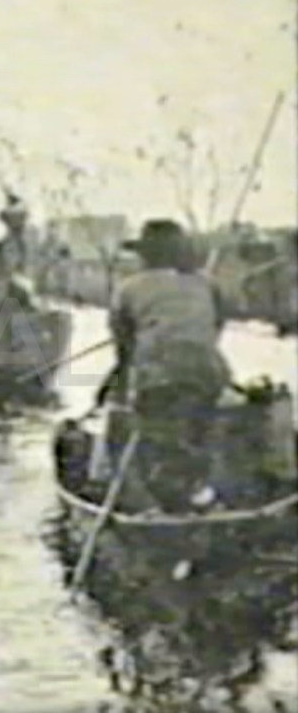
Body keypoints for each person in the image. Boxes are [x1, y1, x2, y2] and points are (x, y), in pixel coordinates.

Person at [98, 218, 232, 511]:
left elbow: (124, 346)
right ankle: (202, 496)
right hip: (209, 371)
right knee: (197, 433)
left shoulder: (129, 288)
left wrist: (118, 385)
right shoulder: (206, 283)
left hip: (159, 371)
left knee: (157, 441)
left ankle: (169, 508)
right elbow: (216, 326)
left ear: (145, 255)